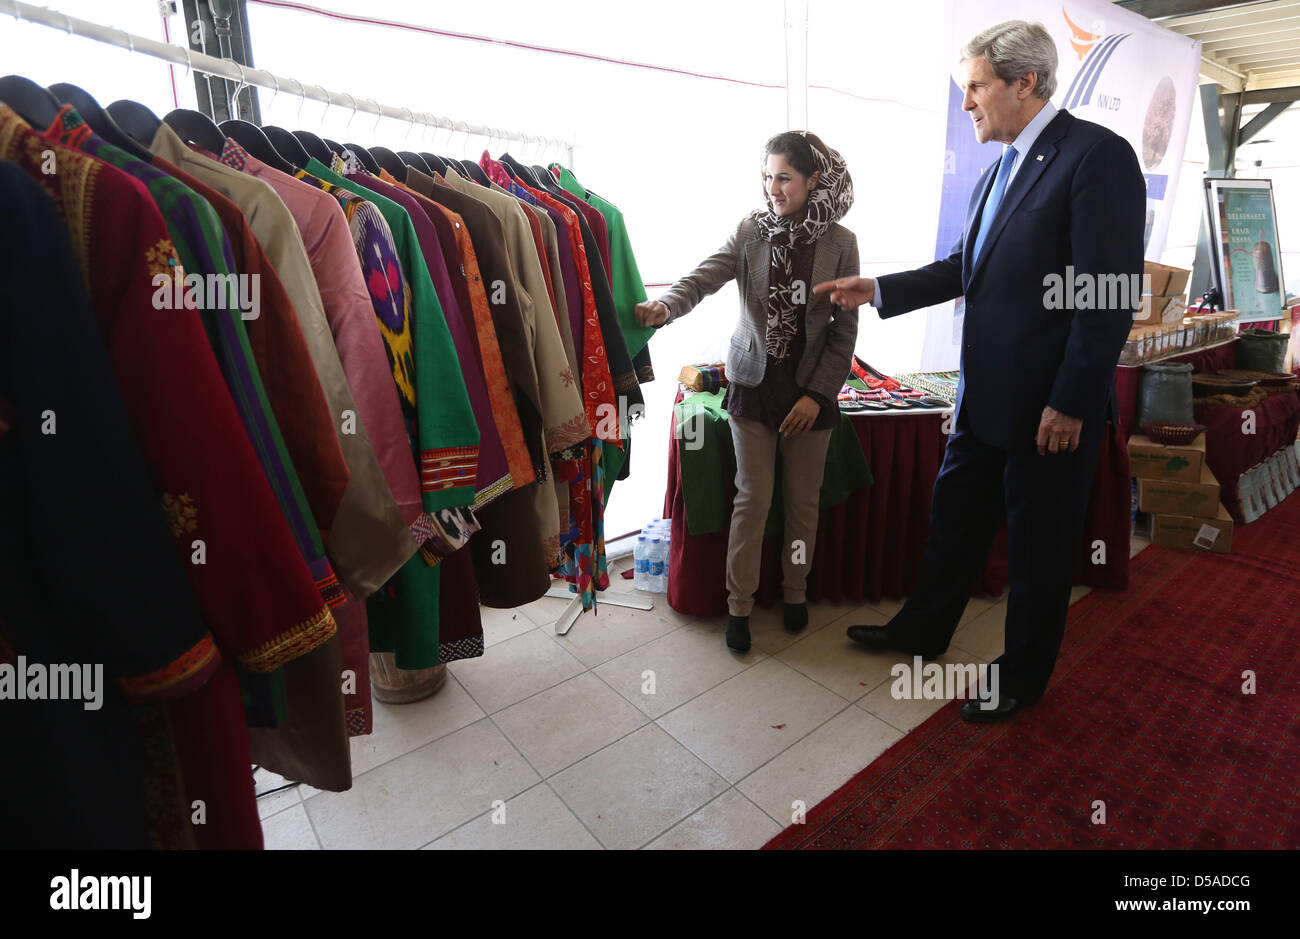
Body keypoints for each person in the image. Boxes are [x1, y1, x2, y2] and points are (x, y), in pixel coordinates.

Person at [817, 20, 1144, 721]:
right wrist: (880, 288)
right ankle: (921, 631)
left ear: (1023, 83)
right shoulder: (1000, 167)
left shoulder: (1096, 156)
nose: (967, 102)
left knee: (1039, 551)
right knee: (955, 526)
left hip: (1051, 411)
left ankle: (1021, 677)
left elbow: (1107, 295)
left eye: (976, 86)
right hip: (983, 398)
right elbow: (966, 267)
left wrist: (1072, 400)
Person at [635, 131, 859, 652]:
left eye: (783, 177)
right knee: (752, 498)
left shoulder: (841, 243)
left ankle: (796, 590)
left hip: (809, 393)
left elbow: (844, 332)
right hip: (753, 384)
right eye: (766, 177)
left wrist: (818, 395)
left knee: (802, 504)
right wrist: (665, 307)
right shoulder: (751, 230)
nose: (772, 188)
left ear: (812, 180)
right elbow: (705, 276)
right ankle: (739, 604)